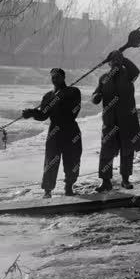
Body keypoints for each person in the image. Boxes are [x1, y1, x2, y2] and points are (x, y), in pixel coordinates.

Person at [22, 68, 82, 198]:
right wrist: (31, 113)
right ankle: (47, 191)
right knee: (51, 161)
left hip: (71, 130)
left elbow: (74, 111)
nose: (55, 79)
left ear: (63, 77)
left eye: (57, 77)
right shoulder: (48, 96)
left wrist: (61, 98)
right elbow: (43, 115)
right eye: (53, 77)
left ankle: (69, 187)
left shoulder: (74, 92)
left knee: (72, 160)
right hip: (54, 132)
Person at [92, 49, 140, 190]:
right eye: (112, 60)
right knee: (106, 151)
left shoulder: (129, 75)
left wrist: (122, 58)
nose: (115, 63)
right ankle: (105, 182)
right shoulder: (103, 78)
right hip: (109, 120)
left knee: (127, 150)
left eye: (118, 60)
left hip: (127, 119)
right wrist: (95, 97)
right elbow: (95, 95)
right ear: (108, 63)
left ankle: (125, 179)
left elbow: (136, 70)